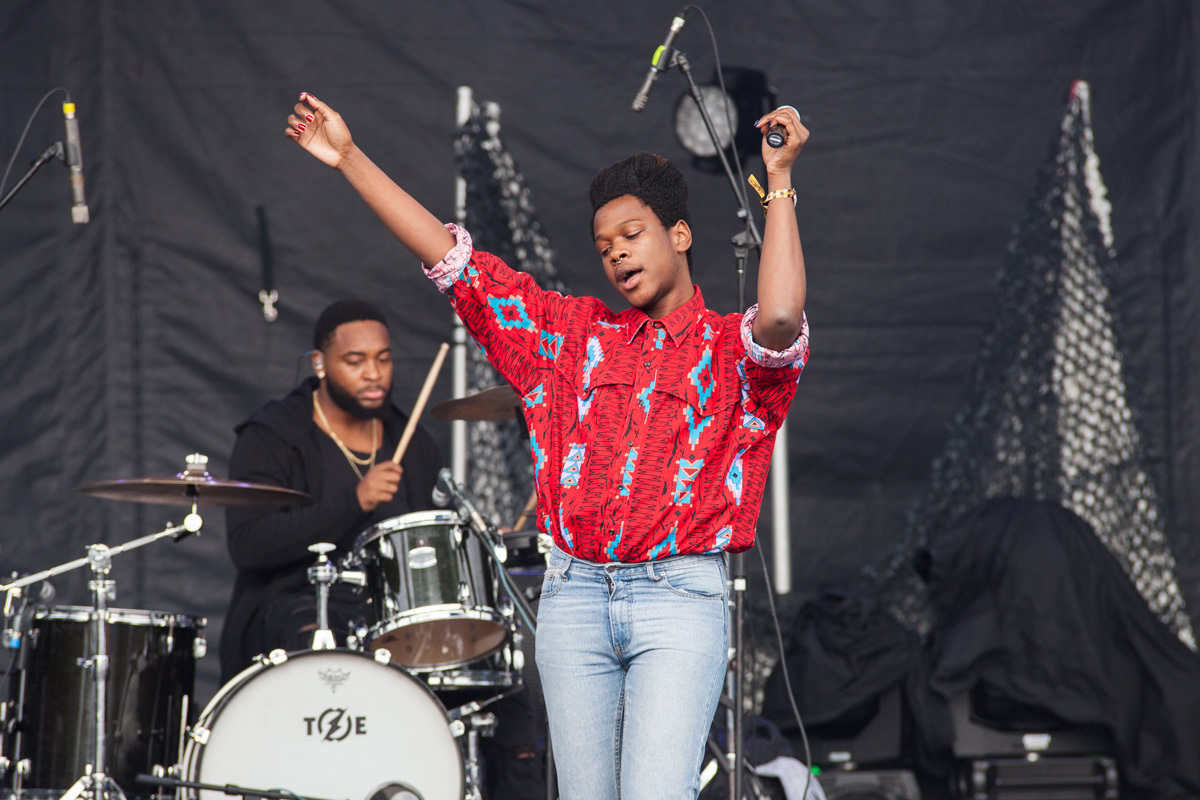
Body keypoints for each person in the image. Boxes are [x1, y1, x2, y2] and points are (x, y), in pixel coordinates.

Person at [286, 93, 809, 800]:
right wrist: (348, 157)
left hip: (679, 597)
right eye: (604, 246)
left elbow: (778, 314)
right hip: (575, 598)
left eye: (632, 233)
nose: (617, 251)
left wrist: (779, 179)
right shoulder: (569, 339)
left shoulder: (729, 349)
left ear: (680, 235)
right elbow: (451, 260)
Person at [218, 299, 443, 684]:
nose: (374, 374)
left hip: (389, 615)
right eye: (356, 362)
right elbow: (249, 544)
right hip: (295, 607)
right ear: (320, 364)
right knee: (318, 643)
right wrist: (355, 502)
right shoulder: (272, 436)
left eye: (384, 359)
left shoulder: (409, 439)